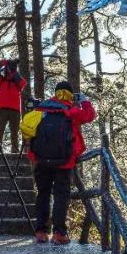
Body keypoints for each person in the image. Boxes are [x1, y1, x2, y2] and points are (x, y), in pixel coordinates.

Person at [20, 80, 96, 245]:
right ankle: (59, 233)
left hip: (41, 159)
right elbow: (90, 115)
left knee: (43, 194)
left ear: (56, 92)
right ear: (70, 94)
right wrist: (84, 101)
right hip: (64, 161)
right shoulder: (71, 110)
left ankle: (41, 232)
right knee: (61, 195)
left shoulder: (41, 109)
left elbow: (27, 129)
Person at [0, 59, 27, 154]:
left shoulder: (17, 81)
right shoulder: (1, 81)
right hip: (1, 109)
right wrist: (2, 62)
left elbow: (23, 84)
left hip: (14, 110)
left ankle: (15, 151)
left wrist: (14, 73)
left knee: (14, 132)